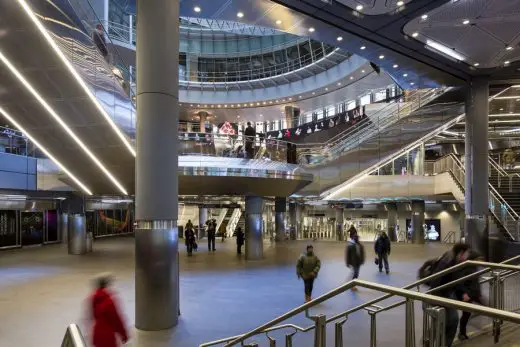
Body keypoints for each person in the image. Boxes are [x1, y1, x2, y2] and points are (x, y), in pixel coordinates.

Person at [427, 243, 472, 347]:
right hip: (440, 295)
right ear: (461, 253)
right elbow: (436, 280)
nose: (467, 257)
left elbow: (456, 281)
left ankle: (435, 343)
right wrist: (436, 299)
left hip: (446, 293)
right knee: (447, 322)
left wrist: (463, 293)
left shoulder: (454, 260)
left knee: (448, 321)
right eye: (467, 254)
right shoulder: (448, 261)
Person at [89, 274, 128, 347]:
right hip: (108, 336)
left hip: (97, 334)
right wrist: (124, 335)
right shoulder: (109, 301)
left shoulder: (93, 298)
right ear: (107, 285)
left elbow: (92, 316)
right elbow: (116, 319)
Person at [456, 250, 485, 341]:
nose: (481, 261)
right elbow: (460, 283)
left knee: (487, 306)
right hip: (467, 295)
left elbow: (476, 283)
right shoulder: (467, 269)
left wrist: (478, 294)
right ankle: (462, 333)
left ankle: (497, 322)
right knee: (466, 314)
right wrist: (465, 294)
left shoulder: (474, 267)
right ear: (474, 259)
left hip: (474, 293)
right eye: (479, 259)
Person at [345, 226, 365, 291]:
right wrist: (347, 262)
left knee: (356, 273)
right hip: (354, 262)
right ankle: (352, 285)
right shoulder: (351, 246)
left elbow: (362, 254)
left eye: (357, 238)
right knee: (355, 273)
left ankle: (351, 282)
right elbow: (348, 254)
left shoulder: (360, 246)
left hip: (358, 261)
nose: (357, 239)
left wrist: (362, 260)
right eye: (355, 238)